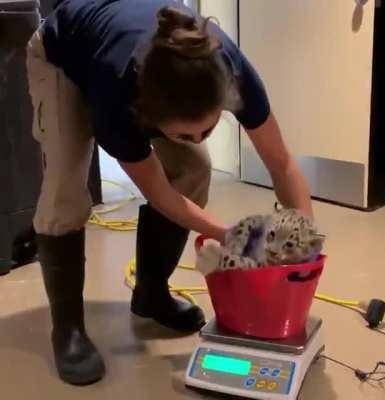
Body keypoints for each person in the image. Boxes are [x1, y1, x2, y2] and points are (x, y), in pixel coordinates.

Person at [26, 0, 313, 386]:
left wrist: (303, 242)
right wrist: (235, 237)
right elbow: (160, 193)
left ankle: (151, 294)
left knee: (194, 167)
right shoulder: (118, 98)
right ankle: (69, 330)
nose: (196, 139)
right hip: (64, 53)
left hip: (122, 42)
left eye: (207, 131)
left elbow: (282, 163)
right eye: (183, 134)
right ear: (147, 118)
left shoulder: (232, 72)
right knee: (65, 193)